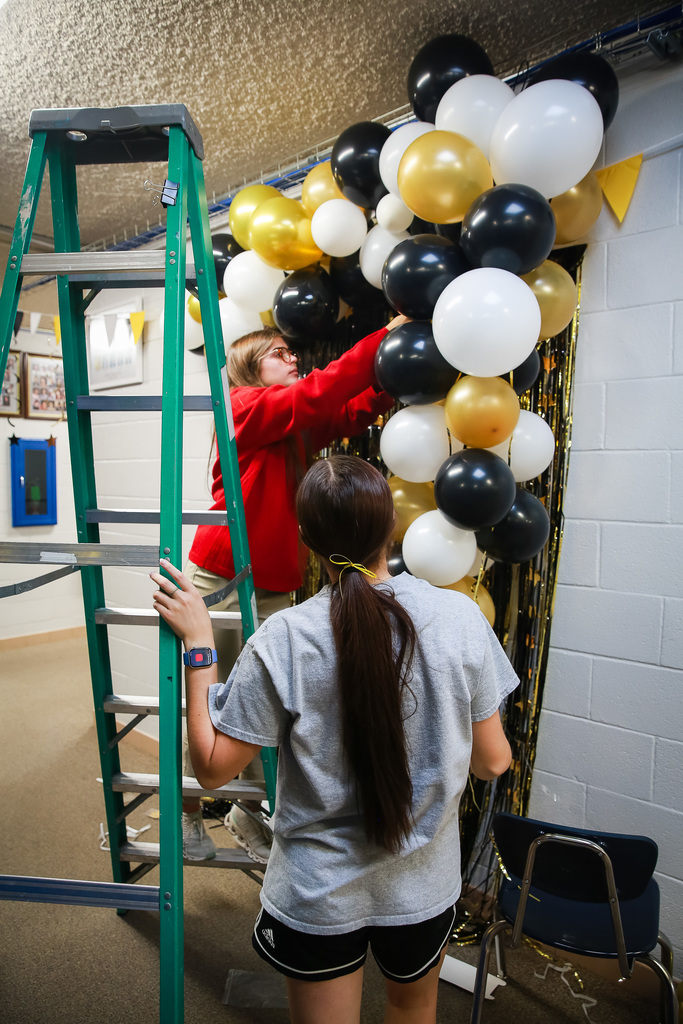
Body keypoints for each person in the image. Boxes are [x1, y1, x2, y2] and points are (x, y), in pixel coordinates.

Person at [151, 454, 517, 1024]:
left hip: (317, 894)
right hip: (422, 890)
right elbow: (494, 762)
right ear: (389, 527)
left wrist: (200, 647)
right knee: (413, 1009)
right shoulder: (460, 617)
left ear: (305, 539)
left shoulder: (283, 639)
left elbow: (212, 769)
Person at [181, 318, 407, 863]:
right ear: (248, 368)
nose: (293, 360)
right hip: (223, 577)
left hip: (275, 583)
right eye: (279, 354)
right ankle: (185, 815)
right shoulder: (241, 406)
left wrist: (392, 376)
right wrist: (383, 336)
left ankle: (246, 810)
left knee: (269, 708)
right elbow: (321, 391)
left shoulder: (292, 423)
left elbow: (345, 410)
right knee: (209, 703)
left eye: (292, 353)